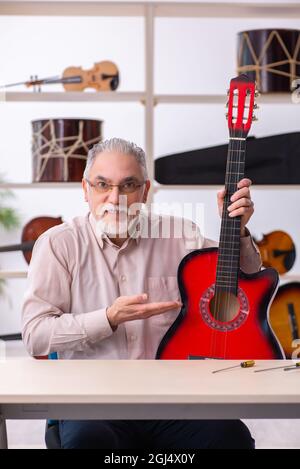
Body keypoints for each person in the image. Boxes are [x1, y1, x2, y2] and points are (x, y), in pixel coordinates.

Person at [22, 138, 259, 449]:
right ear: (85, 189)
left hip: (173, 402)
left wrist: (237, 230)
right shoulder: (59, 244)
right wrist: (108, 318)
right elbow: (35, 334)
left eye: (128, 184)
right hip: (92, 404)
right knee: (90, 443)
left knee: (231, 441)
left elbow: (245, 281)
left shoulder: (180, 235)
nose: (115, 197)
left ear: (145, 191)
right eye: (103, 184)